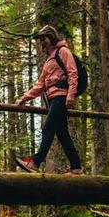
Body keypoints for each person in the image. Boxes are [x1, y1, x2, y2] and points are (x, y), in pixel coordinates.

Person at [14, 25, 82, 174]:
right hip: (52, 99)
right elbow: (40, 85)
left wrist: (71, 95)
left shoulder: (63, 51)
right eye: (40, 40)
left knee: (48, 128)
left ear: (51, 37)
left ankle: (35, 162)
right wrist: (24, 98)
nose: (41, 43)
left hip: (61, 97)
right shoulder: (47, 62)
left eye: (43, 39)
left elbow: (73, 73)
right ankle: (76, 167)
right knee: (63, 134)